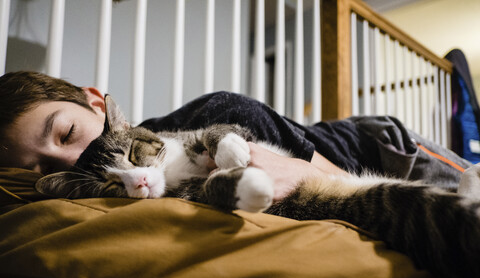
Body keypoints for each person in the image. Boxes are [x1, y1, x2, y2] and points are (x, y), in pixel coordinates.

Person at [0, 71, 472, 200]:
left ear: (96, 103)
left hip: (379, 150)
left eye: (66, 132)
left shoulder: (218, 116)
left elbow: (340, 181)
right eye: (39, 168)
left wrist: (301, 172)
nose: (70, 163)